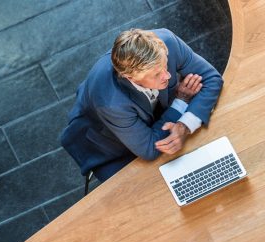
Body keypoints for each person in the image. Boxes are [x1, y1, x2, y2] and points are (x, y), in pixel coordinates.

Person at [61, 28, 224, 181]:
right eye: (156, 74)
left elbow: (211, 78)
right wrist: (181, 102)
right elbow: (149, 148)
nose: (167, 76)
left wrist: (185, 124)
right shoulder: (111, 102)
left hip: (154, 115)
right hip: (109, 146)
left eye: (165, 64)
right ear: (130, 77)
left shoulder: (167, 42)